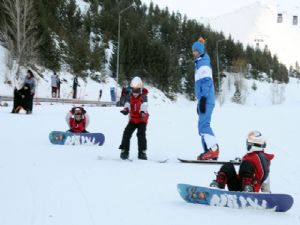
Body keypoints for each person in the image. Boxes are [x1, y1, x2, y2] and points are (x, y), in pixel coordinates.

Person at [210, 131, 274, 193]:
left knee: (246, 164)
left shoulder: (263, 158)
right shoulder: (247, 156)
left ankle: (248, 187)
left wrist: (267, 192)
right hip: (238, 186)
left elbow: (265, 176)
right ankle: (218, 187)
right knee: (228, 165)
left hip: (252, 189)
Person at [192, 37, 219, 160]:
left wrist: (203, 99)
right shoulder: (200, 62)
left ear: (201, 51)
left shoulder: (203, 63)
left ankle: (213, 149)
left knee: (203, 125)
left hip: (206, 98)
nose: (193, 53)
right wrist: (200, 101)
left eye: (196, 51)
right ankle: (208, 150)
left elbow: (207, 82)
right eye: (193, 50)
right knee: (202, 125)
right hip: (205, 99)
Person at [119, 76, 149, 160]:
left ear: (140, 90)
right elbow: (127, 104)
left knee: (141, 134)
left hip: (142, 119)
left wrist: (142, 112)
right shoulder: (129, 96)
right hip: (133, 119)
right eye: (134, 91)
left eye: (137, 91)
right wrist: (126, 110)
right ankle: (124, 151)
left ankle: (142, 152)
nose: (135, 93)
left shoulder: (143, 96)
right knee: (126, 133)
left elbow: (144, 105)